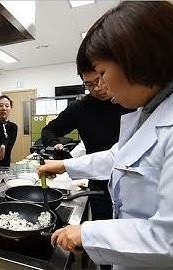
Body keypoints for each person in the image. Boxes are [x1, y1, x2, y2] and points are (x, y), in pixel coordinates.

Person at [42, 2, 173, 268]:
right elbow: (119, 157)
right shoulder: (153, 110)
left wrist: (89, 233)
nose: (102, 86)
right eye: (92, 81)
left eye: (103, 73)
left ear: (139, 62)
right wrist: (65, 165)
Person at [41, 45, 133, 224]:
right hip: (97, 182)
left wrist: (66, 165)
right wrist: (56, 145)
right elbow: (49, 130)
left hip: (130, 182)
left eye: (100, 80)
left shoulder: (129, 101)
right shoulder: (80, 107)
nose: (97, 88)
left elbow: (117, 154)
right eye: (89, 84)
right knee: (100, 228)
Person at [0, 95, 18, 167]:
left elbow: (8, 148)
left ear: (10, 108)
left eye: (7, 106)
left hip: (3, 165)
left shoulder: (13, 127)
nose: (4, 108)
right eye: (0, 105)